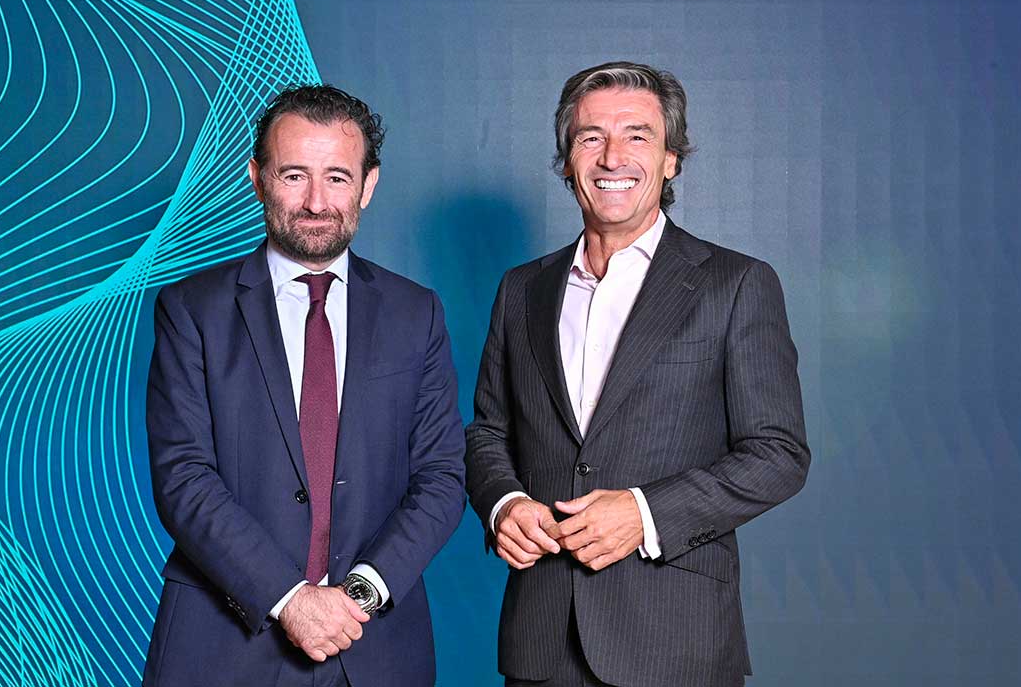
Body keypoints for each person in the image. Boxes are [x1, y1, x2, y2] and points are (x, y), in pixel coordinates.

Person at [465, 62, 810, 687]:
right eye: (590, 137)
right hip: (540, 641)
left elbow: (778, 454)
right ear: (567, 160)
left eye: (637, 136)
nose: (612, 157)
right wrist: (504, 504)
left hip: (673, 645)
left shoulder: (736, 284)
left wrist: (645, 513)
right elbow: (489, 432)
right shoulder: (521, 290)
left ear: (671, 159)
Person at [143, 85, 465, 687]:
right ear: (257, 178)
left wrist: (360, 594)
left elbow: (442, 476)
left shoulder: (415, 313)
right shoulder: (191, 310)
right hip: (223, 645)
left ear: (367, 185)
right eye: (294, 175)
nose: (317, 202)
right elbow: (183, 476)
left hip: (372, 645)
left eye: (337, 177)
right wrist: (289, 599)